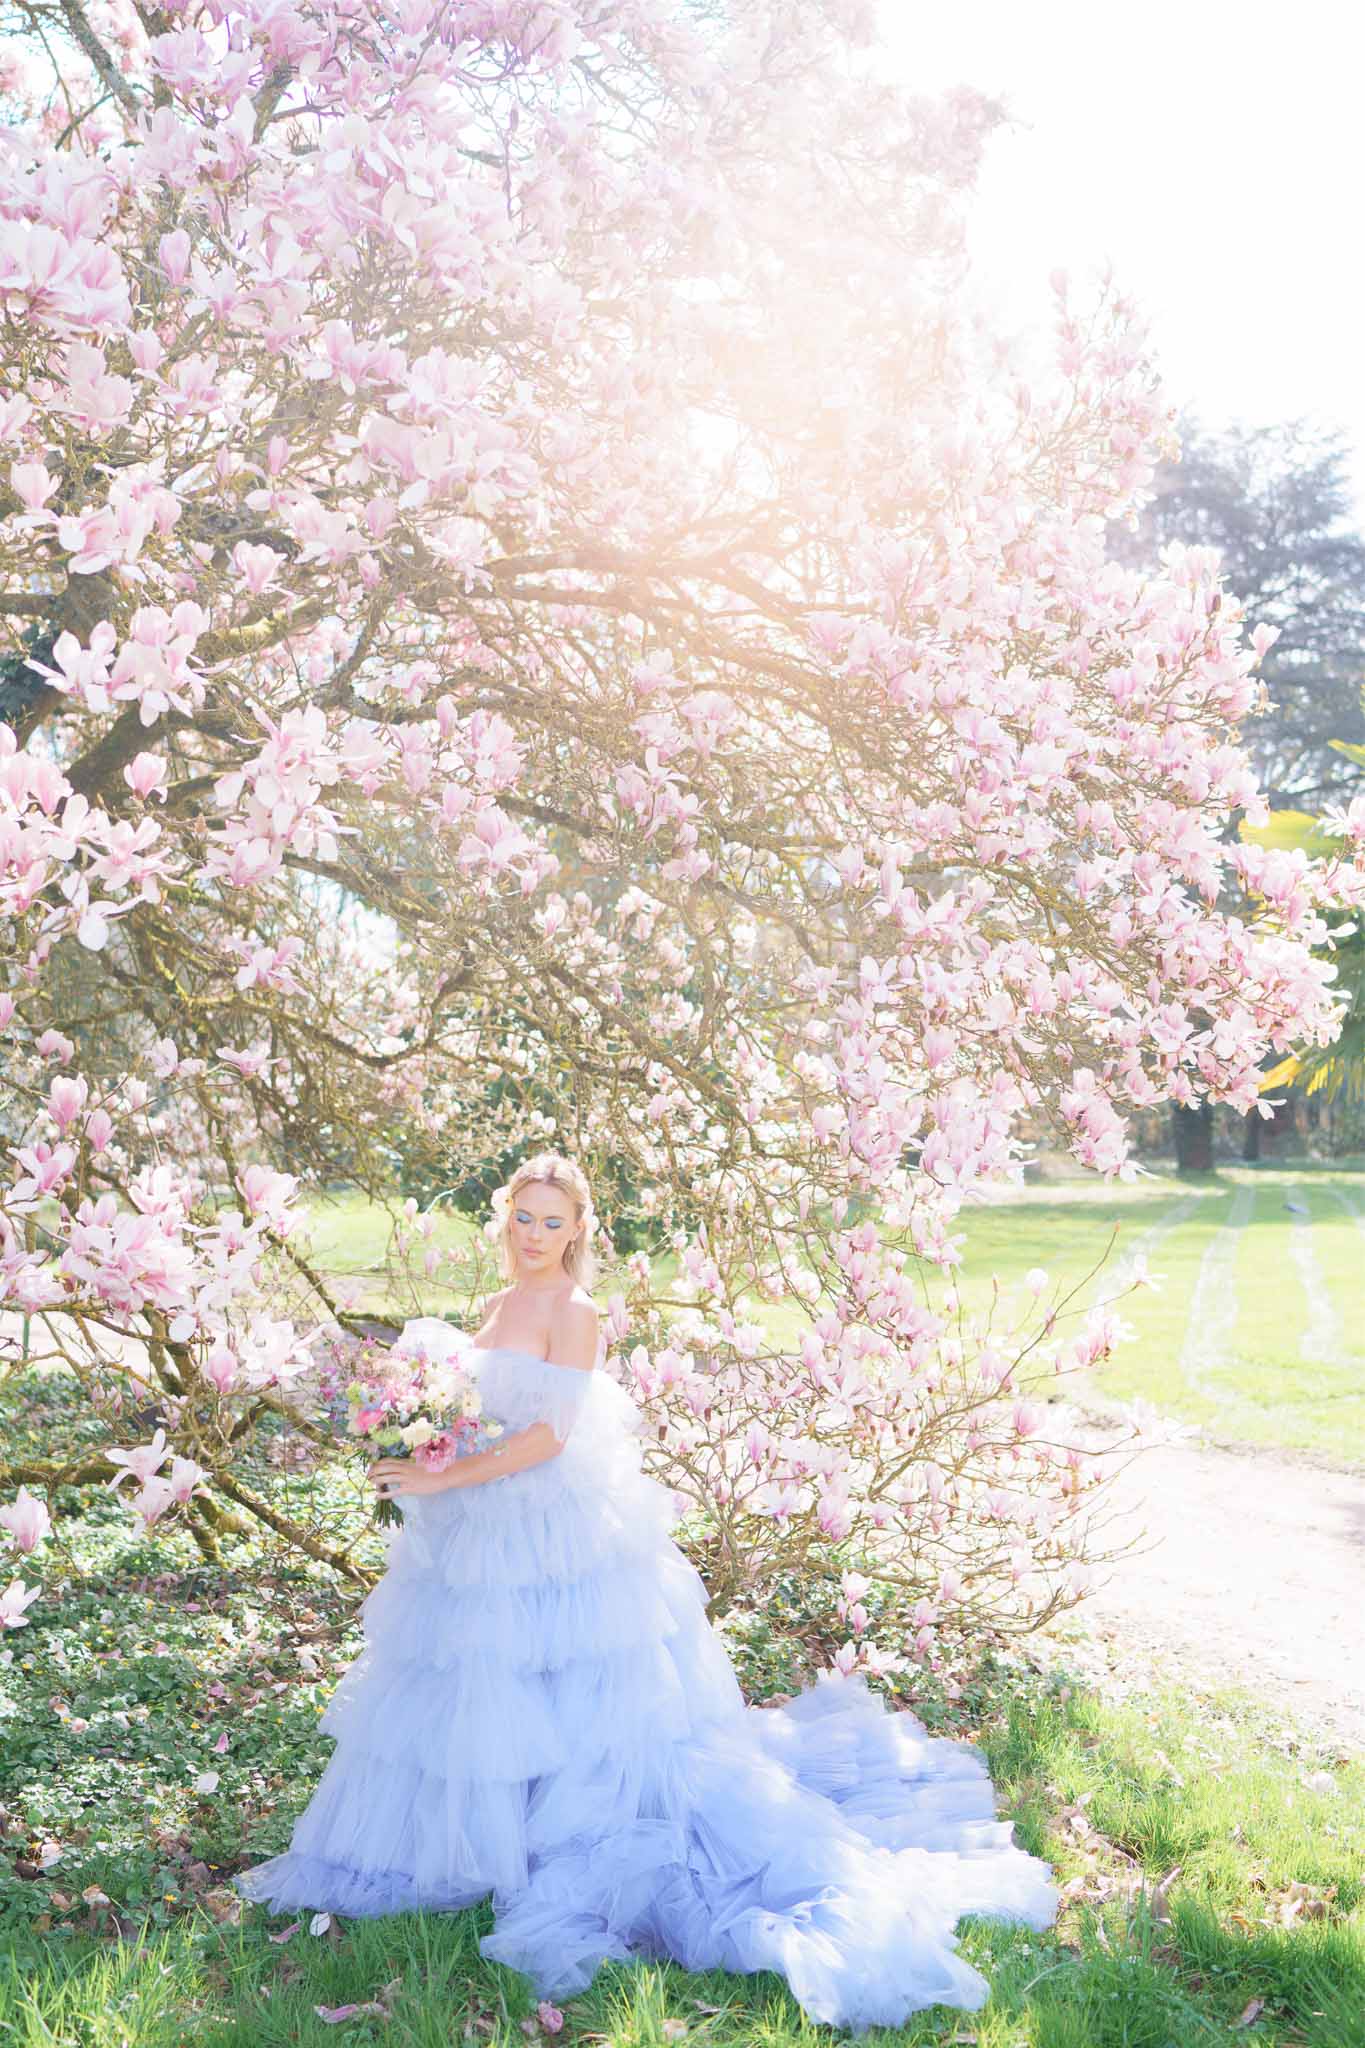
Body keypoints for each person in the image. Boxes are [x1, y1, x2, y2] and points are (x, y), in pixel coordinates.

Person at [233, 1151, 1057, 2031]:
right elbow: (482, 1404)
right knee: (487, 1682)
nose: (538, 1236)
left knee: (571, 1683)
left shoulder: (574, 1313)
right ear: (504, 1219)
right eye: (525, 1218)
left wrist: (445, 1474)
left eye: (556, 1223)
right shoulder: (500, 1303)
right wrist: (427, 1432)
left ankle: (559, 1835)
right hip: (480, 1521)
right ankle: (490, 1833)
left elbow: (551, 1434)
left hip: (549, 1525)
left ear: (579, 1230)